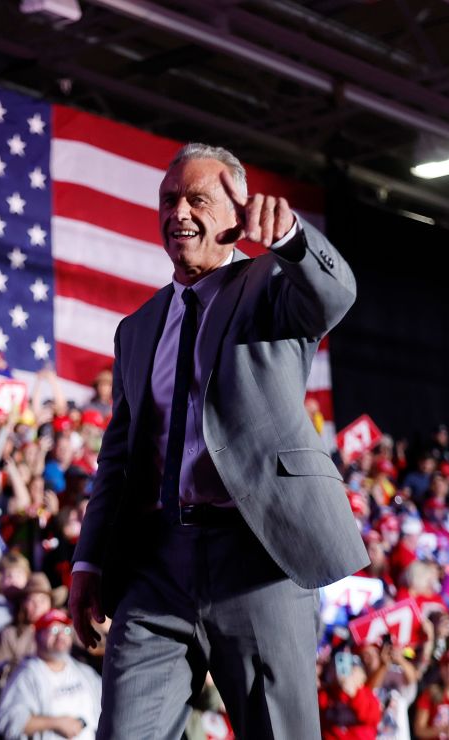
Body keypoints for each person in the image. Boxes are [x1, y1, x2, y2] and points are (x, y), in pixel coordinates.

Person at [68, 143, 367, 737]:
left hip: (257, 557)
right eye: (169, 199)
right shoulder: (137, 329)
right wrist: (89, 560)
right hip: (155, 568)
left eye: (197, 199)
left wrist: (291, 241)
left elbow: (335, 295)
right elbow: (118, 461)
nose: (178, 210)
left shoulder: (271, 286)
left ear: (236, 212)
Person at [0, 609, 102, 740]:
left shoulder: (85, 672)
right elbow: (8, 720)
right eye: (54, 630)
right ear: (37, 636)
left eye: (66, 630)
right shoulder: (26, 675)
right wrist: (56, 723)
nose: (61, 636)